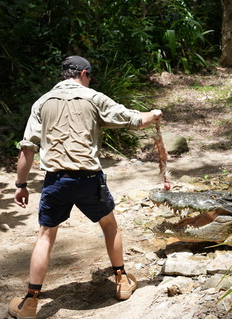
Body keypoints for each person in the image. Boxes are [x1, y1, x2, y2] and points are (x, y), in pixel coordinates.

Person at [8, 55, 163, 319]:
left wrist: (21, 185)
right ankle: (122, 281)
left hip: (55, 180)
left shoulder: (42, 102)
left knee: (45, 236)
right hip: (88, 180)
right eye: (89, 77)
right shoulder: (95, 98)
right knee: (109, 225)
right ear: (84, 74)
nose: (90, 81)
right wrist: (155, 114)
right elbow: (134, 119)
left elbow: (27, 149)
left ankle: (31, 302)